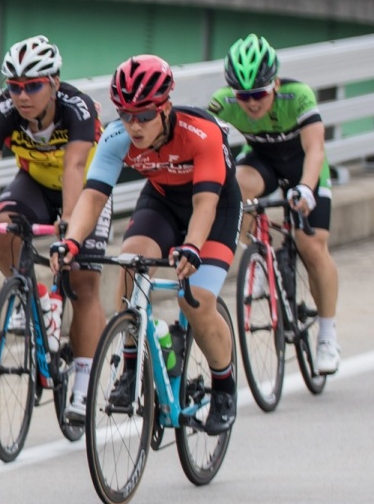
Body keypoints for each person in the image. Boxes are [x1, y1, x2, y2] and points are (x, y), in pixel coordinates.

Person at [51, 55, 242, 436]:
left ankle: (224, 388)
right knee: (130, 264)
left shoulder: (201, 133)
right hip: (162, 202)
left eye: (144, 115)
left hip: (214, 206)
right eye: (125, 115)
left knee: (196, 300)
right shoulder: (117, 137)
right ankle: (130, 366)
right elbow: (93, 195)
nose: (134, 125)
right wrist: (71, 241)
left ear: (165, 108)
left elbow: (206, 204)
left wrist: (192, 246)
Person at [0, 36, 109, 423]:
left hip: (85, 188)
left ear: (54, 82)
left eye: (33, 86)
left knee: (83, 283)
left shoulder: (77, 108)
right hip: (37, 184)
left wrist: (70, 227)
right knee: (2, 226)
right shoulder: (4, 111)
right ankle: (32, 294)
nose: (22, 96)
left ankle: (83, 381)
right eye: (14, 87)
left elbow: (75, 168)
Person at [208, 34, 340, 374]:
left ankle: (327, 336)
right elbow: (204, 141)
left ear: (276, 84)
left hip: (303, 165)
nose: (251, 103)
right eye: (243, 96)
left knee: (311, 245)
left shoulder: (298, 96)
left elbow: (315, 149)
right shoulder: (223, 102)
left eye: (259, 94)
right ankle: (260, 258)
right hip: (263, 161)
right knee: (231, 187)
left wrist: (306, 189)